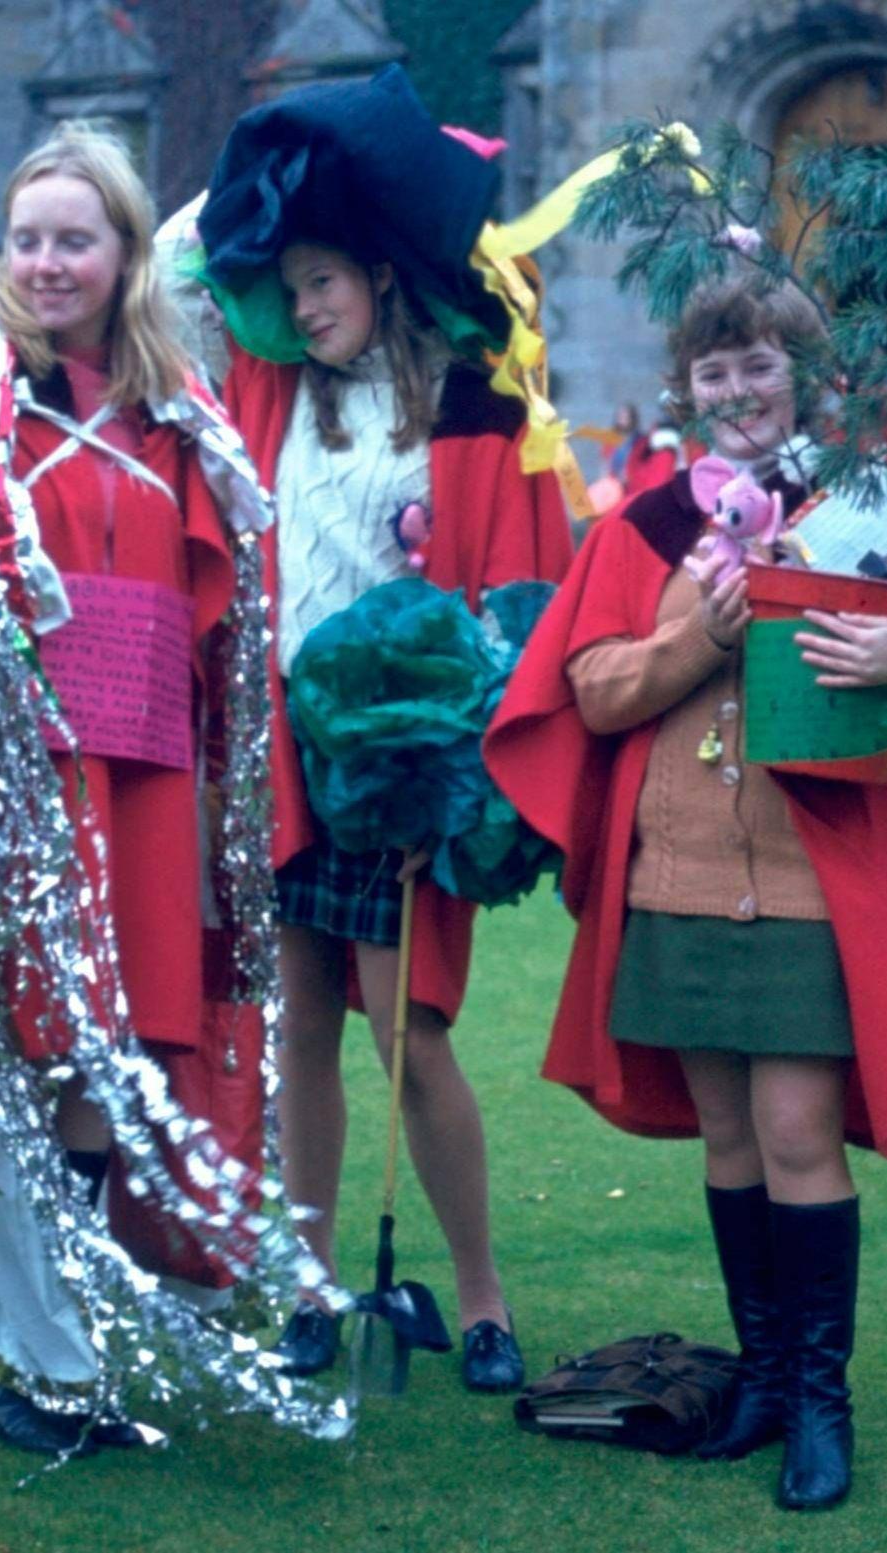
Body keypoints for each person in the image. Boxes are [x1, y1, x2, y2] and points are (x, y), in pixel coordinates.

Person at [483, 276, 887, 1510]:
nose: (735, 390)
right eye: (712, 372)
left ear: (801, 375)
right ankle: (756, 1375)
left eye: (757, 366)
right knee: (733, 1134)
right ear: (684, 388)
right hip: (678, 865)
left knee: (799, 1131)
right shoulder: (646, 526)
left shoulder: (871, 502)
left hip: (812, 873)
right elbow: (591, 690)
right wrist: (704, 627)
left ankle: (817, 1399)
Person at [177, 67, 575, 1393]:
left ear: (382, 272)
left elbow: (507, 604)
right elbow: (180, 254)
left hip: (404, 758)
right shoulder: (273, 390)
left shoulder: (472, 402)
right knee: (297, 1026)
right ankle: (304, 1280)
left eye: (322, 281)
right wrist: (287, 164)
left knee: (407, 1036)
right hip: (287, 748)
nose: (300, 307)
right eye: (287, 290)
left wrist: (441, 786)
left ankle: (478, 1298)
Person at [0, 122, 269, 1454]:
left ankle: (63, 1337)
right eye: (27, 237)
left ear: (121, 255)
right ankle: (11, 1354)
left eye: (74, 238)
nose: (46, 262)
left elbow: (221, 612)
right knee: (16, 1055)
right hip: (19, 791)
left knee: (113, 1067)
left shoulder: (175, 420)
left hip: (149, 780)